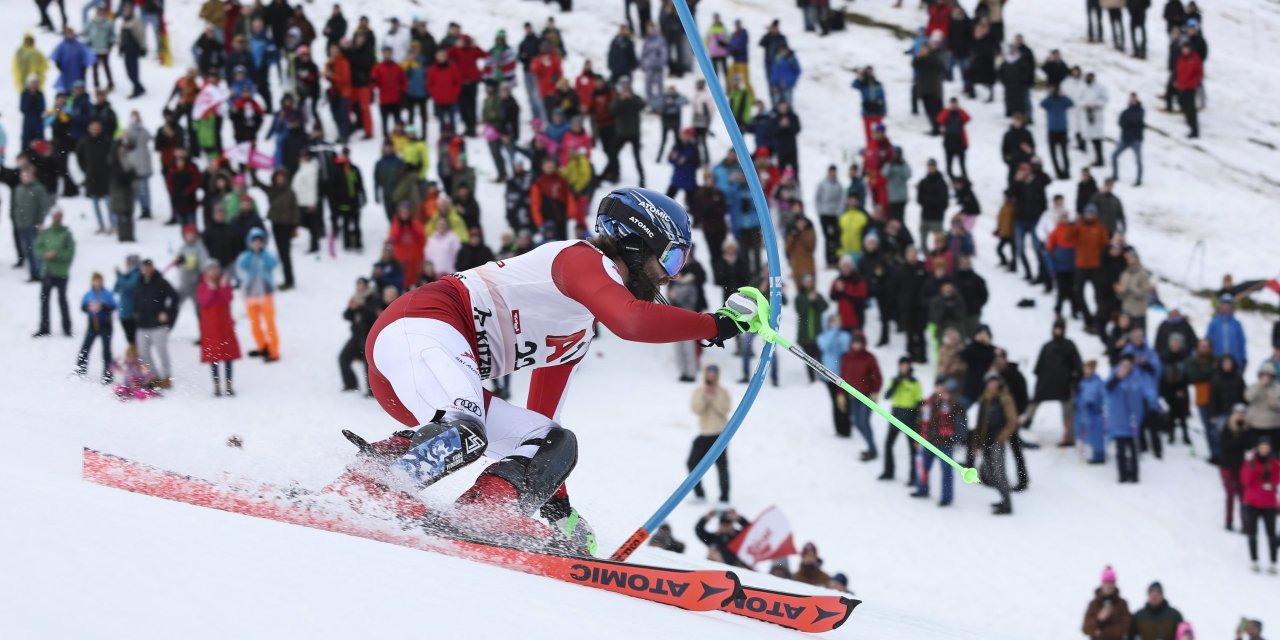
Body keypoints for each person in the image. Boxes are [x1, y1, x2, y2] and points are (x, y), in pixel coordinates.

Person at [336, 188, 758, 548]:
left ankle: (482, 514)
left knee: (555, 442)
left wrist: (559, 510)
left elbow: (540, 426)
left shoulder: (578, 333)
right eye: (671, 259)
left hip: (427, 387)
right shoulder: (579, 259)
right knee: (466, 431)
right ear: (637, 243)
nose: (669, 277)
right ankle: (373, 487)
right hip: (417, 331)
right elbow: (630, 321)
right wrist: (715, 324)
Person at [1023, 318, 1084, 446]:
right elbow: (1038, 368)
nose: (1058, 331)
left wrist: (1075, 378)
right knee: (1035, 402)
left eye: (1060, 328)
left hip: (1064, 383)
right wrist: (1040, 382)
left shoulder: (1069, 345)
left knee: (1068, 410)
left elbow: (1078, 365)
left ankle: (1069, 437)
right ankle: (1026, 421)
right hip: (1046, 382)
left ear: (1064, 330)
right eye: (1056, 328)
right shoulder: (1047, 346)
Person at [688, 364, 732, 504]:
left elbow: (725, 410)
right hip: (704, 433)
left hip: (719, 435)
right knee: (692, 463)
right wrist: (705, 396)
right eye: (709, 373)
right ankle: (699, 494)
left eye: (714, 374)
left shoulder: (723, 392)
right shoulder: (699, 391)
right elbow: (696, 410)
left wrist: (715, 396)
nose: (711, 376)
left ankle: (724, 498)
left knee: (722, 467)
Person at [974, 371, 1017, 514]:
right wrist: (976, 442)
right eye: (990, 382)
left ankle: (1007, 504)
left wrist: (1001, 438)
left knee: (999, 473)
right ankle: (1003, 499)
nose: (992, 384)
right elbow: (979, 422)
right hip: (985, 441)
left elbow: (1012, 421)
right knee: (990, 474)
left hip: (997, 442)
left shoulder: (1004, 398)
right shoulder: (984, 398)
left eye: (994, 381)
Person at [236, 228, 281, 362]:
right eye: (254, 241)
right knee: (254, 323)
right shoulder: (245, 256)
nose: (257, 243)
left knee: (269, 323)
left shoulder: (267, 255)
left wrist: (263, 253)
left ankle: (273, 351)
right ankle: (262, 346)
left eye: (259, 241)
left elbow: (274, 264)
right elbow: (240, 268)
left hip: (266, 294)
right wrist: (251, 254)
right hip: (251, 295)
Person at [197, 262, 241, 397]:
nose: (214, 272)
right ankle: (216, 385)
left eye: (215, 269)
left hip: (225, 326)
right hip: (210, 328)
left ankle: (229, 385)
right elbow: (203, 301)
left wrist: (221, 287)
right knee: (213, 357)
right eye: (211, 269)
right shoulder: (202, 286)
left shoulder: (224, 283)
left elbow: (228, 298)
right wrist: (211, 288)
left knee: (228, 355)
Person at [133, 258, 177, 389]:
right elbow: (136, 298)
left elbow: (174, 296)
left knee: (161, 351)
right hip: (142, 324)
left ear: (152, 268)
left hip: (158, 325)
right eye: (144, 267)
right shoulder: (139, 282)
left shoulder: (160, 281)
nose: (146, 270)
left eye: (148, 267)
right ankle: (152, 377)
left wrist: (167, 313)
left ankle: (166, 377)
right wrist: (136, 311)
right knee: (143, 353)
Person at [33, 208, 74, 338]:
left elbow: (70, 253)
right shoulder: (46, 233)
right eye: (55, 216)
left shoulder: (66, 234)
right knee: (44, 301)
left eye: (59, 216)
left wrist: (57, 254)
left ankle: (67, 327)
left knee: (62, 300)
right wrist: (46, 254)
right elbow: (38, 248)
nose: (57, 218)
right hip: (48, 272)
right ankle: (44, 328)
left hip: (61, 272)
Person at [1240, 437, 1279, 573]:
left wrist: (1269, 483)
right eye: (1262, 447)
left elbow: (1276, 479)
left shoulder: (1274, 463)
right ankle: (1254, 560)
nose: (1264, 450)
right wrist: (1253, 469)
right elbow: (1246, 481)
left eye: (1266, 447)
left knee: (1271, 533)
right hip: (1252, 502)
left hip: (1269, 503)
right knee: (1252, 532)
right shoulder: (1250, 462)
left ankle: (1273, 562)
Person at [882, 358, 922, 484]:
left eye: (906, 365)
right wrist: (896, 384)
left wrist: (918, 420)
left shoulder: (914, 382)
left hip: (910, 415)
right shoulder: (895, 380)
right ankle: (888, 471)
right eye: (902, 365)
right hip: (896, 414)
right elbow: (887, 395)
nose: (904, 367)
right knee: (888, 444)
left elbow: (919, 401)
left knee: (912, 448)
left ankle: (913, 477)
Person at [842, 332, 882, 462]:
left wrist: (875, 391)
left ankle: (872, 449)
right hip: (853, 396)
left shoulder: (869, 357)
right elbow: (842, 376)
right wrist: (840, 394)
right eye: (855, 342)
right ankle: (871, 446)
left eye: (859, 343)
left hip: (867, 396)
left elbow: (877, 376)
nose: (857, 345)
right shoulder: (847, 357)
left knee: (864, 422)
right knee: (857, 423)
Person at [340, 277, 381, 393]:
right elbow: (347, 316)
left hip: (368, 336)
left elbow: (373, 314)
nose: (359, 286)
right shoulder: (355, 297)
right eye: (357, 284)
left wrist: (361, 306)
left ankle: (372, 391)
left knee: (368, 363)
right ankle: (350, 384)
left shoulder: (373, 297)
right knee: (343, 357)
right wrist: (351, 308)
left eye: (361, 284)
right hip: (357, 336)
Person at [75, 272, 115, 384]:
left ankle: (108, 374)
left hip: (105, 324)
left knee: (106, 350)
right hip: (92, 324)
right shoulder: (89, 294)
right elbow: (83, 307)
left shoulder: (107, 293)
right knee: (86, 347)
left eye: (99, 281)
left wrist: (102, 306)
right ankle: (80, 369)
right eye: (95, 281)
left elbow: (113, 305)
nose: (97, 283)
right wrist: (88, 307)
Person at [816, 314, 852, 437]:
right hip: (829, 377)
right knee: (835, 403)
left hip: (843, 376)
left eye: (835, 322)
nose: (834, 324)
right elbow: (826, 346)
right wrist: (834, 331)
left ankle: (847, 428)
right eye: (832, 322)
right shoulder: (822, 337)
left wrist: (837, 333)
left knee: (845, 402)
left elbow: (846, 349)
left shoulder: (844, 335)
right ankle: (839, 429)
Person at [1082, 565, 1132, 639]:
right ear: (1102, 584)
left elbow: (1126, 627)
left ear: (1115, 584)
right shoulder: (1093, 604)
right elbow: (1085, 629)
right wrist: (1098, 619)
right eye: (1106, 582)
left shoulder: (1122, 604)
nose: (1109, 586)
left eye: (1111, 583)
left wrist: (1103, 632)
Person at [1076, 360, 1107, 463]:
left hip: (1096, 413)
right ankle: (1095, 454)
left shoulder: (1098, 382)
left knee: (1097, 435)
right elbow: (1080, 397)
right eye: (1084, 369)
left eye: (1088, 369)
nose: (1085, 371)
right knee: (1089, 435)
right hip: (1085, 414)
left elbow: (1103, 396)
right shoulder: (1082, 382)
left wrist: (1095, 403)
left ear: (1093, 369)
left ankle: (1100, 456)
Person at [1244, 364, 1280, 447]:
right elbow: (1248, 398)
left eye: (1268, 375)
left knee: (1274, 449)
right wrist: (1260, 386)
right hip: (1256, 424)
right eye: (1263, 375)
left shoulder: (1278, 388)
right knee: (1256, 447)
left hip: (1274, 424)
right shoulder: (1254, 386)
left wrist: (1276, 405)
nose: (1266, 378)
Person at [1174, 43, 1202, 138]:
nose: (1185, 50)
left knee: (1191, 109)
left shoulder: (1194, 58)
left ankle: (1194, 130)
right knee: (1182, 103)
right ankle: (1189, 122)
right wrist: (1177, 81)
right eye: (1183, 49)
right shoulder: (1181, 58)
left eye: (1186, 48)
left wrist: (1195, 82)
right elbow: (1178, 71)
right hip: (1182, 86)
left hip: (1190, 87)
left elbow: (1199, 72)